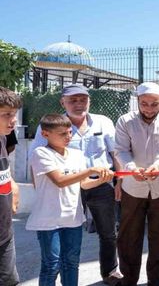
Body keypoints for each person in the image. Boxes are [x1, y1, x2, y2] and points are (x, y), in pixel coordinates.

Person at [29, 84, 122, 285]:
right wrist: (43, 194)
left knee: (106, 233)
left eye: (83, 99)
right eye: (73, 100)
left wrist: (116, 180)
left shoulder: (103, 123)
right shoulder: (48, 130)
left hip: (96, 185)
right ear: (62, 102)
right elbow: (38, 164)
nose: (79, 104)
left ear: (89, 100)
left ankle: (110, 271)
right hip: (63, 194)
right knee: (54, 259)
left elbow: (114, 153)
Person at [114, 82, 159, 286]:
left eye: (154, 104)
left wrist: (158, 165)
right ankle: (129, 279)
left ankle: (155, 278)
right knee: (129, 235)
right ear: (138, 101)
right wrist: (131, 169)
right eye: (145, 104)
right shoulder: (125, 121)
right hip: (133, 187)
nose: (149, 108)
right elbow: (121, 150)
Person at [0, 87, 21, 285]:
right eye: (6, 114)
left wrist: (13, 184)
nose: (13, 120)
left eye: (14, 114)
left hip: (5, 232)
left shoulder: (3, 137)